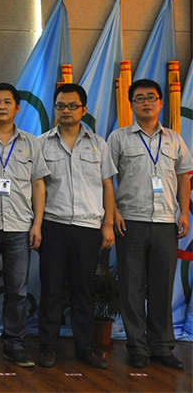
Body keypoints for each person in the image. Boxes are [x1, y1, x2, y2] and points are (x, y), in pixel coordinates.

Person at [107, 78, 192, 370]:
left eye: (151, 97)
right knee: (131, 287)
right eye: (140, 98)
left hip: (166, 222)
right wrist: (113, 212)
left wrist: (183, 213)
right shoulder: (119, 138)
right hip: (130, 221)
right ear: (131, 104)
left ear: (160, 103)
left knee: (162, 287)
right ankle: (137, 347)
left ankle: (162, 346)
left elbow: (183, 177)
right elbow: (106, 179)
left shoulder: (174, 139)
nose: (146, 102)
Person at [37, 83, 116, 370]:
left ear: (84, 109)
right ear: (55, 109)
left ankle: (85, 347)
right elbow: (37, 188)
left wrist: (108, 224)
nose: (66, 111)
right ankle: (48, 346)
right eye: (60, 106)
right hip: (53, 225)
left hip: (87, 227)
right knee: (51, 289)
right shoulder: (41, 143)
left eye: (72, 106)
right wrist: (37, 225)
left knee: (83, 290)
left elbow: (107, 186)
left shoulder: (99, 144)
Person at [0, 83, 49, 368]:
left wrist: (37, 224)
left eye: (6, 102)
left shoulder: (32, 143)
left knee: (17, 290)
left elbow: (38, 184)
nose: (1, 106)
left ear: (17, 107)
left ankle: (14, 344)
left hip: (19, 226)